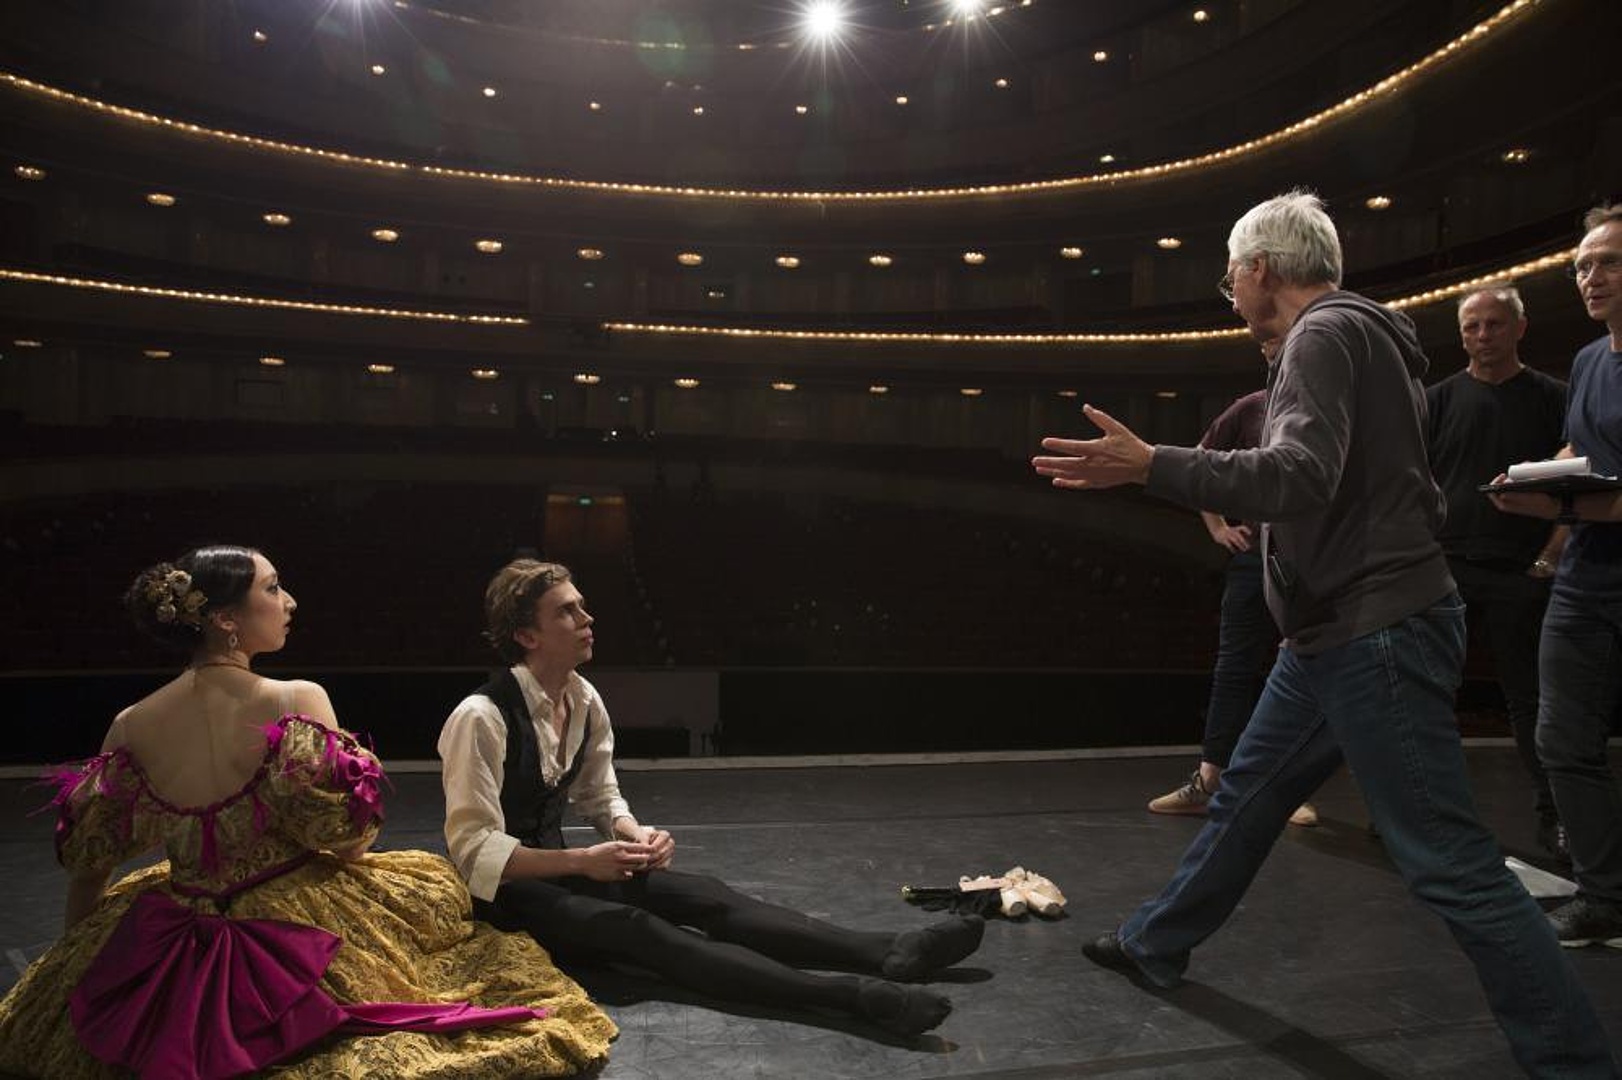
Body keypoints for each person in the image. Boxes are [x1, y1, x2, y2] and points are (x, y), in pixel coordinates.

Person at [1031, 190, 1617, 1076]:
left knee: (1447, 861)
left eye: (1230, 272)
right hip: (1336, 630)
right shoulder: (1369, 335)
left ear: (1261, 266)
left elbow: (1299, 475)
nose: (1228, 288)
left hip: (1371, 631)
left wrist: (1155, 466)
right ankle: (1155, 940)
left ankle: (1575, 1060)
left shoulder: (1321, 337)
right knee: (1249, 795)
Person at [0, 545, 616, 1080]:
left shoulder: (130, 724)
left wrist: (74, 977)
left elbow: (90, 865)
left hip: (179, 919)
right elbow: (349, 842)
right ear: (225, 621)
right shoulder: (295, 699)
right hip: (293, 923)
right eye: (271, 588)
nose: (288, 601)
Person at [438, 558, 985, 1038]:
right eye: (568, 612)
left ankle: (887, 951)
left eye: (582, 607)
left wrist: (634, 836)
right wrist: (584, 860)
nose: (587, 620)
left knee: (706, 895)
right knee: (640, 930)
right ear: (527, 636)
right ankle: (852, 997)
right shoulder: (480, 717)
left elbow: (600, 795)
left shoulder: (582, 699)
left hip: (563, 870)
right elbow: (475, 851)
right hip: (507, 900)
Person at [1490, 203, 1622, 949]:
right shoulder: (1589, 360)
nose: (1589, 277)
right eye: (1581, 265)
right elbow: (1582, 446)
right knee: (1562, 739)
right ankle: (1605, 894)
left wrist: (1568, 503)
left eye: (1607, 262)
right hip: (1586, 574)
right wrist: (1537, 486)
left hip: (1602, 547)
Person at [1148, 337, 1317, 828]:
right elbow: (1200, 464)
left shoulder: (1322, 407)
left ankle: (1283, 787)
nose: (1277, 352)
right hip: (1254, 559)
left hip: (1312, 562)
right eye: (1270, 347)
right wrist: (1218, 527)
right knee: (1235, 667)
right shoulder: (1251, 408)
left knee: (1299, 671)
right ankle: (1209, 780)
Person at [1427, 284, 1568, 858]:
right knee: (1429, 696)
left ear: (1519, 328)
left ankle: (1556, 816)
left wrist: (1548, 558)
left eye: (1493, 325)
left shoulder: (1554, 397)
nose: (1482, 336)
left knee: (1530, 701)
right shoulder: (1436, 399)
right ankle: (1419, 815)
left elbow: (1579, 486)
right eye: (1471, 327)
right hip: (1444, 567)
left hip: (1520, 569)